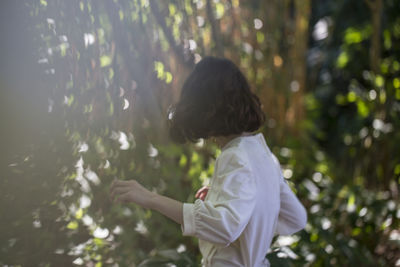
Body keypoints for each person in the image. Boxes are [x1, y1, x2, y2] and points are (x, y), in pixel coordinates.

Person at [110, 56, 307, 267]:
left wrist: (150, 198)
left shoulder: (235, 156)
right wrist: (231, 202)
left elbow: (224, 229)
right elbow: (296, 217)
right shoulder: (263, 155)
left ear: (205, 111)